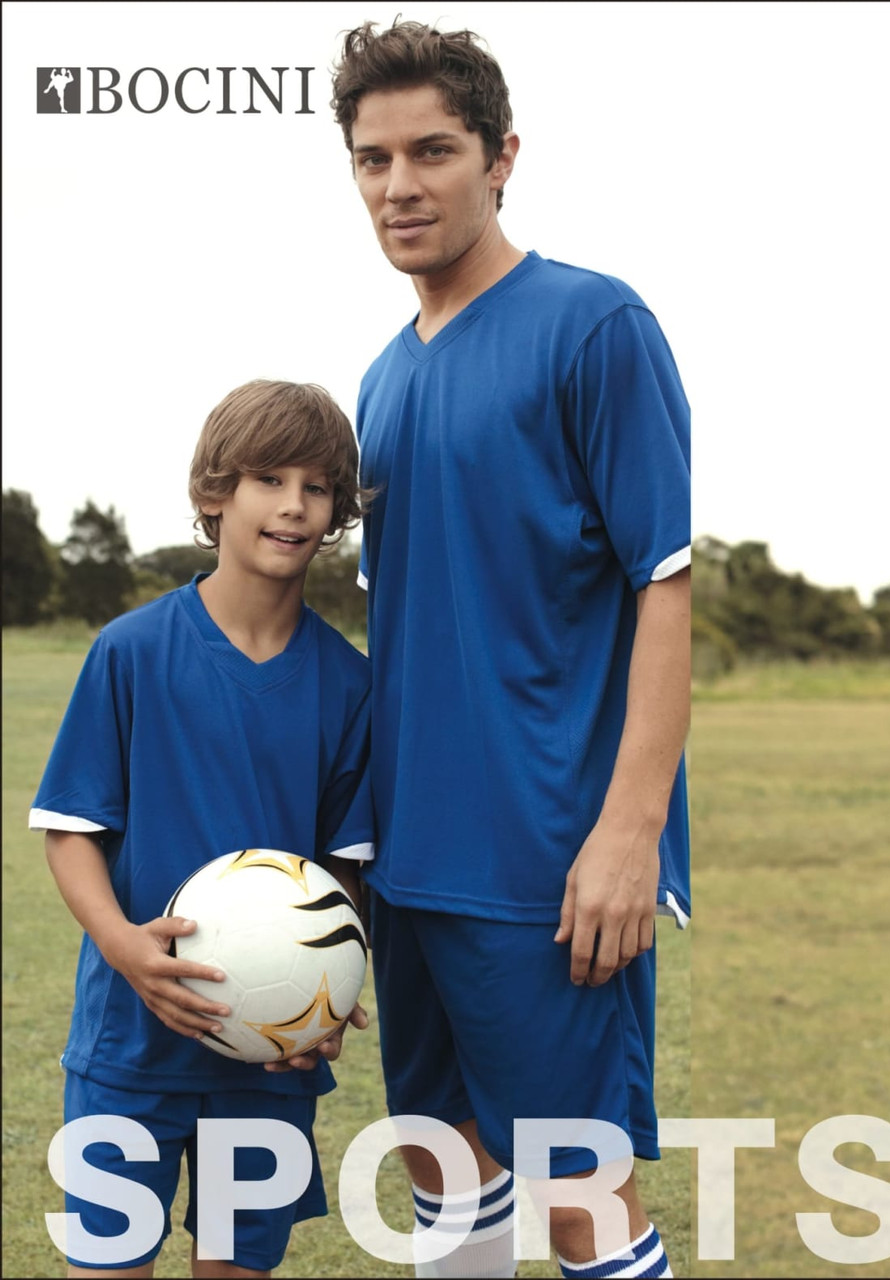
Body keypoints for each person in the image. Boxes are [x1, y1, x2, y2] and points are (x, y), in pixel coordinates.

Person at [322, 19, 691, 1280]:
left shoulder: (594, 326)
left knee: (577, 1193)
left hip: (546, 858)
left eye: (432, 150)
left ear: (502, 157)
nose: (399, 184)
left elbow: (662, 582)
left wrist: (630, 829)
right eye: (373, 158)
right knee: (444, 1168)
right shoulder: (380, 378)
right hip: (412, 851)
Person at [30, 380, 373, 1279]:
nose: (295, 505)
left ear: (338, 510)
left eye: (318, 485)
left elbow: (349, 871)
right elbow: (70, 830)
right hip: (128, 1048)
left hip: (271, 1056)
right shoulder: (133, 653)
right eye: (268, 478)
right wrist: (124, 948)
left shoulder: (349, 685)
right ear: (216, 492)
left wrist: (332, 993)